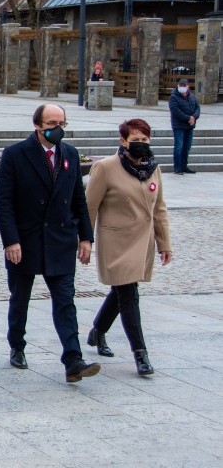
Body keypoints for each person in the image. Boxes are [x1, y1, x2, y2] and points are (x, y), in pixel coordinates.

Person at [0, 103, 100, 383]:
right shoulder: (15, 154)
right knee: (20, 298)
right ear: (38, 125)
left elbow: (79, 198)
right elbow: (3, 202)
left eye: (62, 123)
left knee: (65, 300)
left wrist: (86, 237)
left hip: (60, 239)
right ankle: (17, 344)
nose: (57, 129)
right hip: (26, 239)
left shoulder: (70, 155)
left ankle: (73, 359)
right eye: (52, 123)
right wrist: (11, 240)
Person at [85, 119, 172, 376]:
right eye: (135, 139)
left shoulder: (153, 168)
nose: (141, 144)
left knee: (122, 291)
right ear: (123, 140)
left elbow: (160, 208)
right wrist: (85, 240)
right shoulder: (105, 167)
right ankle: (140, 354)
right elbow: (89, 207)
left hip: (142, 241)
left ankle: (98, 331)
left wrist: (164, 243)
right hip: (116, 242)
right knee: (128, 293)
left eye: (145, 140)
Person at [169, 78, 200, 175]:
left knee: (187, 146)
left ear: (188, 87)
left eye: (184, 85)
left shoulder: (192, 97)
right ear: (178, 86)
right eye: (180, 85)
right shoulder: (174, 97)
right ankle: (178, 168)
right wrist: (188, 118)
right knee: (179, 146)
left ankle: (184, 166)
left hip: (189, 126)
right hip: (179, 126)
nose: (182, 87)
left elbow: (197, 108)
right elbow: (176, 111)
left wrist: (194, 117)